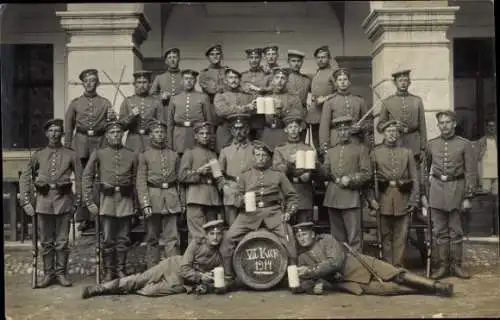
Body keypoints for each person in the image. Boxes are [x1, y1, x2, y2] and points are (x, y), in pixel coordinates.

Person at [291, 222, 454, 297]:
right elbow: (303, 282)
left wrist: (312, 272)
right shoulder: (302, 258)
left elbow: (335, 262)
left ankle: (437, 285)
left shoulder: (326, 239)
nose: (301, 238)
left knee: (397, 274)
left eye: (304, 234)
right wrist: (310, 289)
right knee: (389, 289)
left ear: (312, 234)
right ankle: (432, 291)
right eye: (298, 236)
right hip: (349, 282)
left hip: (359, 263)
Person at [219, 140, 299, 286]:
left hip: (273, 213)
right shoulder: (244, 175)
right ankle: (228, 276)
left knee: (289, 240)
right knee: (228, 238)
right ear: (253, 157)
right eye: (257, 155)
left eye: (263, 155)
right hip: (249, 215)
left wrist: (288, 212)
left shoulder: (278, 175)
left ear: (268, 158)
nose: (260, 158)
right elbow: (237, 197)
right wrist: (241, 201)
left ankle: (292, 278)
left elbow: (292, 197)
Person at [81, 219, 227, 299]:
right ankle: (101, 289)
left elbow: (223, 279)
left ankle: (124, 288)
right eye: (212, 233)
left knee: (150, 292)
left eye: (218, 234)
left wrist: (207, 285)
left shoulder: (219, 256)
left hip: (183, 283)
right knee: (141, 279)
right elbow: (184, 268)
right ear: (206, 235)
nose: (215, 237)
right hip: (172, 266)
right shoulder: (196, 244)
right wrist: (201, 276)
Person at [19, 119, 82, 288]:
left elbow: (80, 179)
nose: (54, 134)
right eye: (51, 130)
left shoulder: (71, 154)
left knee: (62, 241)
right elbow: (25, 177)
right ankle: (48, 274)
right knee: (46, 241)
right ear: (46, 133)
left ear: (62, 133)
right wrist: (26, 201)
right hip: (43, 202)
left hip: (64, 201)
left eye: (57, 130)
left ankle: (61, 274)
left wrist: (78, 200)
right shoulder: (39, 154)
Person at [83, 121, 138, 281]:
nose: (116, 135)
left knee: (123, 238)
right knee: (107, 238)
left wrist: (136, 204)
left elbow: (136, 180)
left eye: (118, 133)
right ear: (107, 136)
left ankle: (120, 269)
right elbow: (87, 176)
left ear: (122, 135)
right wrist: (89, 200)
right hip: (106, 200)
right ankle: (109, 270)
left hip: (125, 200)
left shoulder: (132, 154)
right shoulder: (99, 153)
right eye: (112, 133)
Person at [425, 110, 476, 280]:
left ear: (454, 124)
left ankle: (456, 265)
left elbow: (470, 172)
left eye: (448, 122)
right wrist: (425, 195)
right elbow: (424, 171)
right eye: (442, 123)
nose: (445, 126)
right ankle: (443, 266)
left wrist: (468, 196)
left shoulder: (464, 144)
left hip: (457, 189)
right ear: (438, 125)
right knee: (439, 230)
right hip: (437, 190)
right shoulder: (431, 144)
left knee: (456, 230)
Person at [64, 68, 116, 232]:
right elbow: (68, 126)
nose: (89, 84)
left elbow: (110, 126)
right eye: (86, 81)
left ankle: (98, 216)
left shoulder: (105, 102)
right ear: (83, 83)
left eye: (92, 80)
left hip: (100, 142)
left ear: (97, 83)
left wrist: (112, 118)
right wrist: (67, 147)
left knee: (99, 179)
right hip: (81, 144)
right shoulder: (75, 103)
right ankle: (83, 217)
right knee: (82, 180)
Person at [368, 120, 420, 267]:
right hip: (382, 199)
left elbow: (414, 177)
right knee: (384, 236)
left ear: (398, 133)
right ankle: (387, 266)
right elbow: (370, 180)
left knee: (401, 236)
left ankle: (398, 267)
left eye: (394, 131)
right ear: (383, 133)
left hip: (402, 198)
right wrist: (371, 200)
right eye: (389, 131)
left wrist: (413, 200)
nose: (392, 134)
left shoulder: (407, 152)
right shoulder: (375, 152)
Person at [136, 120, 183, 268]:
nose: (160, 135)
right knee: (152, 237)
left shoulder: (174, 155)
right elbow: (141, 182)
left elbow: (179, 181)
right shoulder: (144, 156)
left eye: (162, 132)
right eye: (156, 132)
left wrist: (181, 201)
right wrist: (145, 203)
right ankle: (152, 270)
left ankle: (174, 269)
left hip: (171, 197)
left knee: (173, 237)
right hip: (153, 197)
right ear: (150, 135)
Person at [321, 116, 371, 252]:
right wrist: (317, 166)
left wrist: (351, 179)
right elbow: (325, 174)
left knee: (354, 237)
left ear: (350, 130)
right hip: (333, 197)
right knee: (337, 239)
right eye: (340, 130)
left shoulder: (361, 149)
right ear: (336, 132)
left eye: (345, 129)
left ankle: (356, 268)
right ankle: (340, 268)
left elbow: (366, 173)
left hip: (351, 198)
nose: (342, 132)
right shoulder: (330, 152)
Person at [178, 122, 222, 243]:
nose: (205, 136)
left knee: (212, 236)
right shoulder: (190, 152)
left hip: (212, 199)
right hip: (195, 197)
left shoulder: (213, 154)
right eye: (201, 133)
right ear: (195, 136)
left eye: (207, 133)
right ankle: (196, 261)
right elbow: (181, 176)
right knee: (197, 236)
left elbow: (218, 177)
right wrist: (198, 171)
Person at [377, 69, 427, 163]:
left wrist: (423, 147)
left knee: (414, 173)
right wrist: (393, 124)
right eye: (400, 81)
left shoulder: (417, 100)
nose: (403, 83)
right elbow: (380, 126)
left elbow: (422, 126)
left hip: (414, 144)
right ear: (395, 83)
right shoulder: (387, 102)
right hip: (395, 143)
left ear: (409, 83)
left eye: (405, 80)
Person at [273, 114, 315, 223]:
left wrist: (310, 174)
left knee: (304, 226)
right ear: (286, 130)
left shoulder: (307, 148)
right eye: (290, 127)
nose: (293, 130)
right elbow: (276, 172)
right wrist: (289, 163)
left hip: (304, 192)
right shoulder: (279, 149)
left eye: (295, 127)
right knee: (288, 228)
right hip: (286, 192)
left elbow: (317, 171)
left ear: (300, 129)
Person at [319, 68, 372, 151]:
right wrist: (325, 146)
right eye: (339, 80)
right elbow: (324, 127)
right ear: (336, 83)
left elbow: (368, 123)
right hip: (336, 140)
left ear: (349, 82)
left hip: (356, 139)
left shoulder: (359, 101)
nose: (342, 82)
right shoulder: (329, 102)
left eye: (345, 79)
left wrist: (360, 127)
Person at [218, 114, 255, 227]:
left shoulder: (255, 148)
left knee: (250, 225)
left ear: (247, 130)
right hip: (231, 189)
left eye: (242, 128)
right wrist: (224, 186)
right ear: (232, 131)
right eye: (236, 129)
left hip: (250, 189)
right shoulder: (225, 150)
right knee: (232, 227)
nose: (239, 132)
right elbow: (217, 172)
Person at [166, 69, 212, 154]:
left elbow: (208, 122)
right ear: (182, 81)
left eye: (191, 79)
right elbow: (170, 124)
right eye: (186, 79)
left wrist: (210, 141)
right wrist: (170, 143)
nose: (189, 81)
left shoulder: (203, 97)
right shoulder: (174, 98)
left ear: (195, 81)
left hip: (197, 136)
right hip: (179, 136)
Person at [260, 67, 306, 148]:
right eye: (277, 77)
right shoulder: (267, 97)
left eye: (283, 78)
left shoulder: (294, 97)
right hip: (268, 133)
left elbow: (298, 117)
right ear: (273, 80)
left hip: (284, 133)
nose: (279, 81)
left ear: (287, 81)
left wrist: (282, 110)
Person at [119, 70, 163, 153]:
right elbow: (121, 127)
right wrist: (131, 116)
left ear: (150, 84)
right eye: (139, 82)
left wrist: (154, 124)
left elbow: (161, 125)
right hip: (133, 142)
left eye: (145, 82)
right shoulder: (127, 101)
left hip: (151, 141)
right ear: (134, 84)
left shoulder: (156, 102)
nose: (142, 85)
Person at [213, 68, 256, 152]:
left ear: (240, 80)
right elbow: (222, 111)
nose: (233, 80)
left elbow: (254, 110)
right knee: (223, 154)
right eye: (230, 77)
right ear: (225, 80)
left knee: (245, 155)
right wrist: (245, 108)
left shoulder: (248, 95)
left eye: (236, 78)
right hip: (226, 130)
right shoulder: (220, 95)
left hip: (244, 131)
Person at [308, 45, 338, 149]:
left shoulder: (333, 73)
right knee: (316, 143)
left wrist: (325, 98)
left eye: (323, 57)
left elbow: (339, 91)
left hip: (326, 112)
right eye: (318, 57)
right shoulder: (316, 73)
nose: (321, 60)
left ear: (329, 58)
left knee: (325, 142)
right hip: (314, 114)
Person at [240, 47, 272, 140]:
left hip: (261, 114)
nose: (254, 60)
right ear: (248, 59)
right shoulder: (242, 76)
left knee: (261, 143)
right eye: (251, 57)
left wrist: (258, 90)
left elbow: (271, 91)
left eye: (256, 57)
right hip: (247, 114)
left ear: (260, 59)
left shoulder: (267, 74)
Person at [476, 120, 498, 195]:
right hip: (486, 175)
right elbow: (477, 159)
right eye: (490, 126)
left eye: (493, 126)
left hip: (496, 175)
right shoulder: (481, 141)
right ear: (486, 127)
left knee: (496, 199)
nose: (492, 128)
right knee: (486, 198)